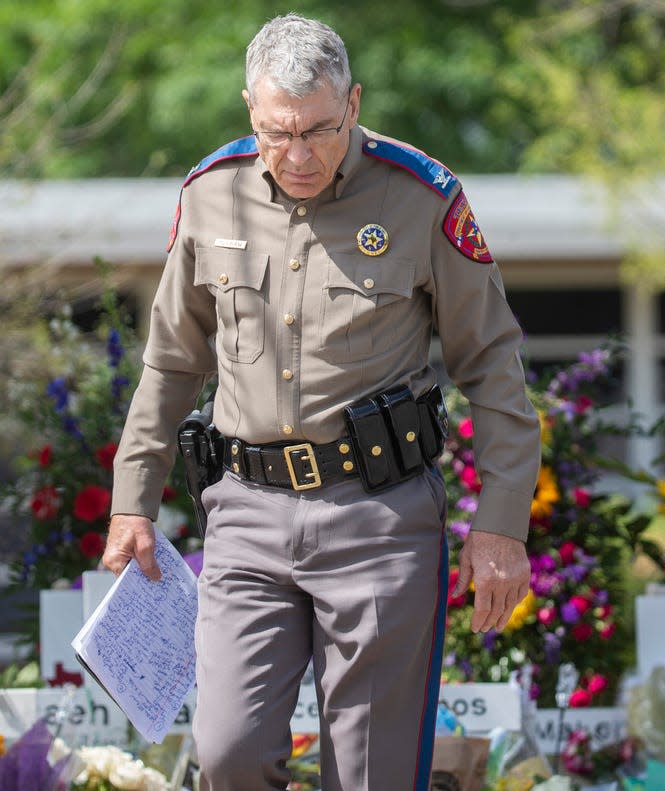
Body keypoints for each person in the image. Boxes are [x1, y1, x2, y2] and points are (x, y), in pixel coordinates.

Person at [102, 13, 541, 791]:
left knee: (368, 775)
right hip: (246, 517)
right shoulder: (209, 194)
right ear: (249, 109)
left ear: (355, 103)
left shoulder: (423, 197)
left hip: (379, 519)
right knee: (230, 752)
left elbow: (494, 364)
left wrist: (501, 523)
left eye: (319, 130)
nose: (298, 154)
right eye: (278, 132)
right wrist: (131, 500)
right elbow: (171, 362)